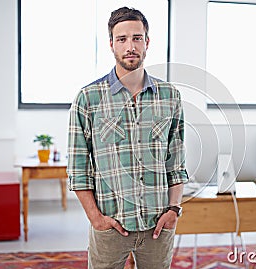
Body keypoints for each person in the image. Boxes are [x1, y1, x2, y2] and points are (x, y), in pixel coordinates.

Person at [67, 7, 188, 269]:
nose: (130, 46)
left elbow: (176, 164)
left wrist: (174, 209)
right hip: (110, 226)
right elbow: (78, 169)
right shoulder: (88, 99)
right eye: (121, 39)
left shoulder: (170, 96)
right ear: (111, 44)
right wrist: (96, 218)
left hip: (158, 227)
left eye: (137, 37)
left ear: (147, 42)